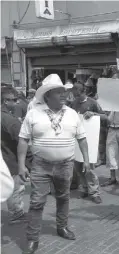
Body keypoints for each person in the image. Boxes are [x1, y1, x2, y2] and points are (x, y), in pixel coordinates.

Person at [18, 74, 90, 254]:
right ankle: (33, 238)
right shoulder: (34, 113)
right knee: (36, 202)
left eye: (64, 91)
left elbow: (82, 139)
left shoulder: (73, 114)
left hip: (66, 164)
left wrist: (87, 160)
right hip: (41, 165)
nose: (64, 95)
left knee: (63, 197)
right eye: (59, 92)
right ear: (48, 95)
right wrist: (21, 165)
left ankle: (62, 226)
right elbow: (23, 140)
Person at [70, 81, 106, 204]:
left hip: (90, 140)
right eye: (74, 96)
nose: (76, 98)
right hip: (77, 140)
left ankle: (94, 192)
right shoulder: (73, 104)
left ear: (83, 92)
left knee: (89, 167)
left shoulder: (93, 103)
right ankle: (84, 188)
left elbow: (105, 117)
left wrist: (94, 114)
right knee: (78, 167)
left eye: (78, 95)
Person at [1, 86, 30, 224]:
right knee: (16, 187)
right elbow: (22, 140)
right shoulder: (9, 120)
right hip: (10, 158)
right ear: (5, 101)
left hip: (4, 157)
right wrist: (28, 161)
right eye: (14, 100)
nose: (17, 102)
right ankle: (16, 213)